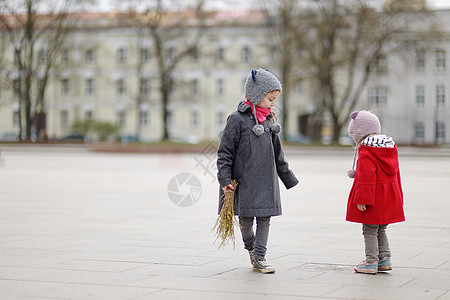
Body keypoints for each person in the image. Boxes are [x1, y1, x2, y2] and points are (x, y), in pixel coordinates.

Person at [216, 68, 299, 273]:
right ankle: (251, 246)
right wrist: (225, 179)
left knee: (265, 218)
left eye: (274, 99)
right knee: (245, 220)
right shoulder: (236, 119)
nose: (272, 103)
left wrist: (288, 178)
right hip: (244, 182)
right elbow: (225, 152)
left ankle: (260, 257)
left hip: (266, 180)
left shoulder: (270, 120)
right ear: (256, 95)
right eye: (270, 99)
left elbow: (278, 153)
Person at [346, 110, 405, 275]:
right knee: (381, 229)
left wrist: (362, 199)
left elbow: (366, 178)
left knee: (370, 229)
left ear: (359, 133)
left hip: (373, 198)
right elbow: (396, 175)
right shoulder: (390, 148)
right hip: (389, 197)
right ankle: (385, 259)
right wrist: (399, 197)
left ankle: (371, 261)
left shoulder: (366, 151)